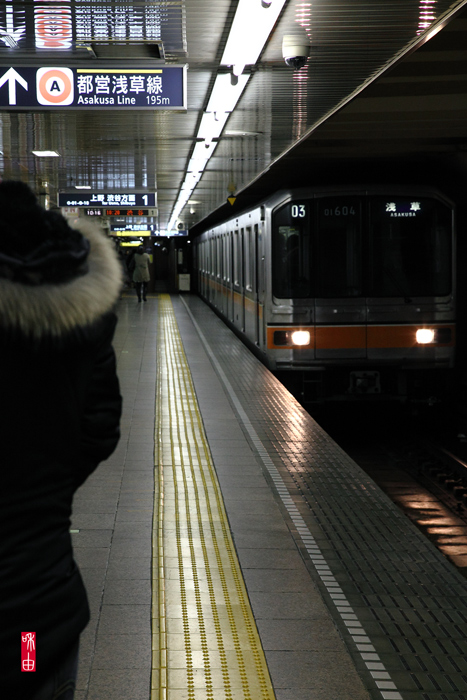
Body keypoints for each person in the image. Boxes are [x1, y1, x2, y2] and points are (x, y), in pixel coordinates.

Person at [0, 180, 123, 699]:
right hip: (35, 613)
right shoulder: (84, 324)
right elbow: (100, 427)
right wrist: (48, 490)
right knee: (31, 669)